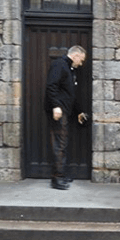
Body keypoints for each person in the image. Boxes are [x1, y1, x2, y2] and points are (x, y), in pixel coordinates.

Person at [46, 45, 88, 190]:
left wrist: (79, 111)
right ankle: (56, 178)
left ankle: (61, 174)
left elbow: (70, 94)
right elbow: (51, 86)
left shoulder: (70, 69)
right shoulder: (59, 65)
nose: (81, 63)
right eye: (81, 60)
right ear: (75, 55)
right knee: (59, 144)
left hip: (65, 110)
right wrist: (56, 106)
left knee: (62, 144)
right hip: (59, 111)